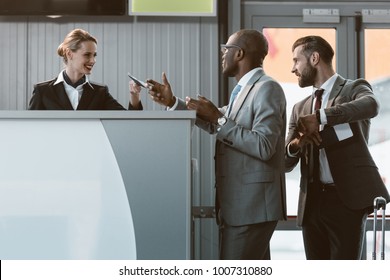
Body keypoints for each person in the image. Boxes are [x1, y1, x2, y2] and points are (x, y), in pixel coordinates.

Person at [147, 29, 287, 260]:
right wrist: (172, 102)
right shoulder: (243, 90)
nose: (222, 54)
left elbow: (264, 145)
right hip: (240, 208)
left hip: (251, 209)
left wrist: (219, 119)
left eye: (226, 49)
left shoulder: (267, 88)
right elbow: (216, 122)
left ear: (239, 53)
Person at [285, 35, 390, 260]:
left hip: (346, 201)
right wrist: (297, 144)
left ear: (314, 58)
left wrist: (321, 116)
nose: (293, 68)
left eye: (296, 61)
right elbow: (285, 162)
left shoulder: (354, 88)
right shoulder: (298, 108)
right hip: (312, 203)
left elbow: (371, 105)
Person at [28, 28, 143, 110]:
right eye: (87, 55)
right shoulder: (42, 91)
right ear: (69, 54)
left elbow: (127, 122)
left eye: (94, 55)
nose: (93, 60)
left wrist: (134, 95)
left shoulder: (100, 92)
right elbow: (30, 129)